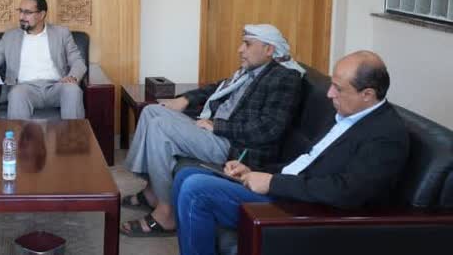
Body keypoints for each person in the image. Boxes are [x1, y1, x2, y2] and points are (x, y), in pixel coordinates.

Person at [172, 51, 410, 255]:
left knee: (196, 190)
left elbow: (347, 192)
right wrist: (254, 170)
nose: (329, 94)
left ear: (367, 94)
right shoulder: (345, 114)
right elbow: (305, 162)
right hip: (290, 189)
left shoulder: (386, 135)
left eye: (338, 89)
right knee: (186, 174)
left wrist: (272, 183)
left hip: (307, 210)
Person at [121, 24, 303, 237]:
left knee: (159, 127)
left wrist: (217, 126)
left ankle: (166, 212)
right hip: (216, 131)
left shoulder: (284, 78)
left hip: (234, 146)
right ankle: (152, 190)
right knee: (151, 111)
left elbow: (269, 129)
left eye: (247, 44)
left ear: (269, 49)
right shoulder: (250, 71)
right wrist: (185, 99)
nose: (240, 49)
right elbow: (216, 88)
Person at [0, 0, 87, 119]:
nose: (21, 16)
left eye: (27, 12)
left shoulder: (61, 33)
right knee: (17, 94)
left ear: (42, 14)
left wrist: (73, 77)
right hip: (24, 89)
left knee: (72, 90)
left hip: (56, 87)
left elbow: (77, 61)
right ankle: (18, 133)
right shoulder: (10, 36)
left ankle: (74, 133)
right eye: (20, 11)